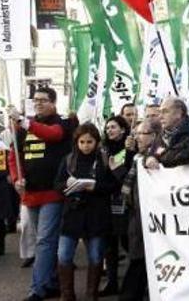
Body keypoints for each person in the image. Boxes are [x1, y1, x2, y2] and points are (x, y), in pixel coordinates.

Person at [8, 87, 78, 301]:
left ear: (53, 102)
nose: (37, 103)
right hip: (31, 193)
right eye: (35, 99)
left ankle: (37, 289)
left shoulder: (64, 122)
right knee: (48, 242)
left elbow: (53, 135)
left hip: (53, 193)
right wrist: (16, 177)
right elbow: (14, 155)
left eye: (42, 100)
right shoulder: (22, 128)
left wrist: (24, 121)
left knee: (44, 241)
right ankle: (52, 282)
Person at [54, 123, 118, 301]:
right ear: (77, 142)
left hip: (96, 215)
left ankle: (92, 294)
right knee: (64, 255)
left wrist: (94, 186)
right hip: (72, 215)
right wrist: (66, 184)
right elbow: (57, 185)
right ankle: (67, 294)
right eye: (82, 142)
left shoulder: (105, 159)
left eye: (90, 142)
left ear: (97, 142)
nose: (86, 146)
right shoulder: (68, 159)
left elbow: (114, 185)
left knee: (96, 255)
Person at [120, 119, 160, 301]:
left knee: (139, 262)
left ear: (154, 136)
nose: (137, 138)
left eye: (141, 134)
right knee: (137, 259)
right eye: (136, 134)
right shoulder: (137, 157)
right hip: (136, 214)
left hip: (151, 218)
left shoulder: (159, 156)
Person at [99, 116, 132, 296]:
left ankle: (133, 282)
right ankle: (111, 282)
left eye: (113, 127)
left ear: (123, 129)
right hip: (107, 199)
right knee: (109, 245)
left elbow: (128, 176)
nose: (109, 130)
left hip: (125, 201)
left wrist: (117, 169)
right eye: (107, 128)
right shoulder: (103, 149)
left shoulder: (129, 150)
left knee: (127, 242)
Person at [145, 97, 189, 170]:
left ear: (178, 114)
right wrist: (149, 159)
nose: (160, 116)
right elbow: (149, 154)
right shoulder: (160, 136)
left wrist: (159, 159)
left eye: (165, 112)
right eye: (160, 112)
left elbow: (186, 156)